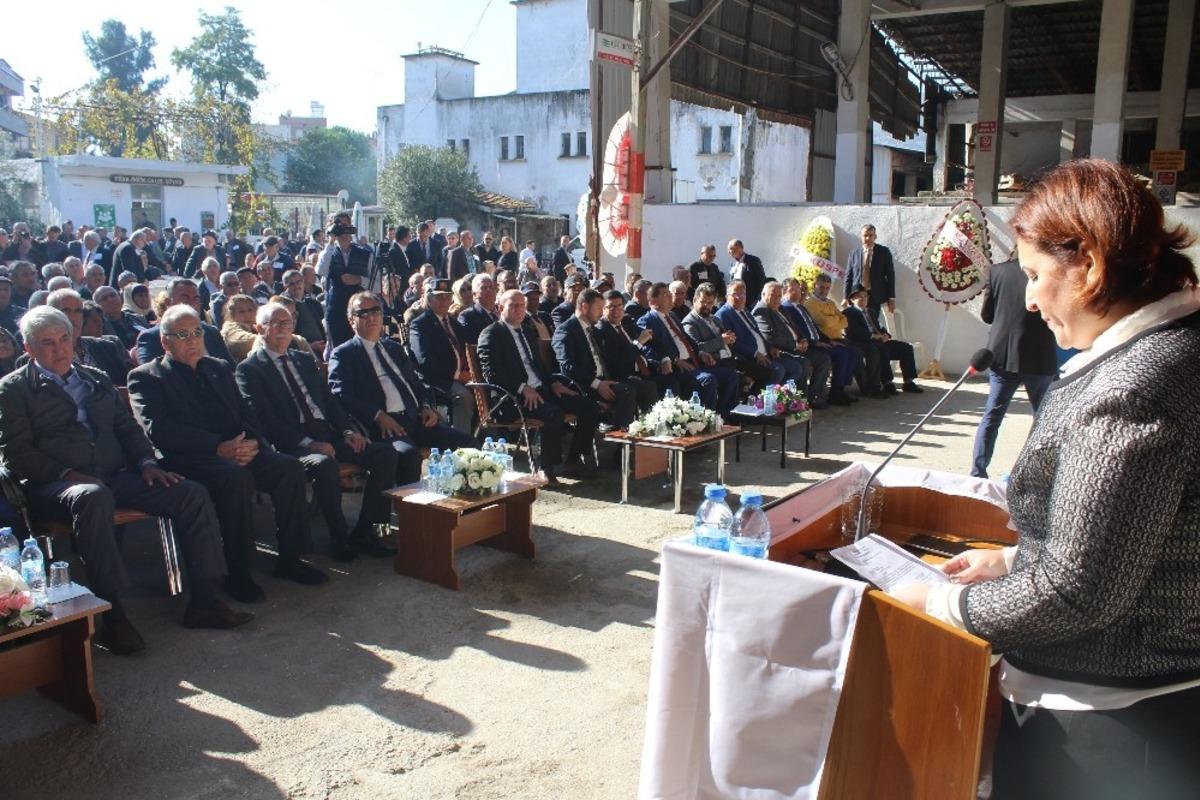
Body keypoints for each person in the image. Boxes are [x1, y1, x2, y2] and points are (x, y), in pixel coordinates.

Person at [890, 159, 1200, 800]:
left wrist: (941, 606)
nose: (1028, 300)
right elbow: (1136, 532)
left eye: (1035, 275)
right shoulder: (1174, 347)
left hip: (1108, 725)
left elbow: (1079, 593)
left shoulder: (1131, 391)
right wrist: (1013, 560)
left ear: (1089, 263)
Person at [0, 307, 251, 655]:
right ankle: (113, 615)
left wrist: (147, 462)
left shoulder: (94, 378)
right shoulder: (13, 389)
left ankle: (205, 601)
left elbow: (127, 428)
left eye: (64, 339)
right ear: (28, 348)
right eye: (47, 343)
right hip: (56, 486)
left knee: (189, 493)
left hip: (113, 475)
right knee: (93, 496)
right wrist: (67, 474)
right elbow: (17, 453)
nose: (59, 349)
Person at [128, 305, 328, 602]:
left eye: (197, 332)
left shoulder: (218, 367)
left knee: (288, 468)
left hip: (237, 448)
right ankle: (238, 572)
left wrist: (252, 443)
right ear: (164, 341)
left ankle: (291, 558)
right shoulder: (147, 377)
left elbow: (247, 413)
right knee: (235, 478)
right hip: (191, 458)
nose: (192, 340)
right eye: (183, 335)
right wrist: (217, 447)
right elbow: (160, 430)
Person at [236, 302, 398, 562]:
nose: (282, 328)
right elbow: (266, 421)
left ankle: (368, 531)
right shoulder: (250, 369)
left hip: (327, 434)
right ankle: (339, 538)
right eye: (274, 323)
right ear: (259, 328)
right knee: (323, 465)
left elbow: (330, 402)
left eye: (287, 322)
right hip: (292, 444)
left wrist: (347, 430)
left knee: (385, 454)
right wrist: (310, 443)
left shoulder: (303, 359)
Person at [329, 292, 475, 485]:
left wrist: (426, 406)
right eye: (363, 313)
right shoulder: (344, 354)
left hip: (416, 419)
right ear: (351, 321)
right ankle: (407, 504)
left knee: (469, 443)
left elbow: (417, 382)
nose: (371, 317)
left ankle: (466, 493)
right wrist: (378, 415)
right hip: (386, 427)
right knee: (409, 454)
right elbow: (341, 396)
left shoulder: (394, 348)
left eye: (375, 311)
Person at [477, 289, 599, 483]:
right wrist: (522, 388)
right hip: (513, 397)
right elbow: (492, 374)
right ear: (500, 308)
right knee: (553, 414)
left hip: (542, 390)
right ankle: (546, 468)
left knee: (589, 406)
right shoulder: (491, 334)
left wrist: (554, 383)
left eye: (522, 305)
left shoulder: (526, 330)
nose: (519, 310)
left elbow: (540, 366)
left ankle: (573, 460)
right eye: (513, 305)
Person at [970, 259, 1058, 478]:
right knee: (1044, 417)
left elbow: (987, 315)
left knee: (992, 415)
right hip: (1038, 354)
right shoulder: (1050, 269)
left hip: (1003, 353)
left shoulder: (997, 271)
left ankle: (977, 472)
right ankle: (1036, 474)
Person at [639, 282, 739, 414]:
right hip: (677, 367)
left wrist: (701, 353)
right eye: (665, 294)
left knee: (731, 375)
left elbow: (688, 340)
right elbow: (648, 348)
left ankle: (724, 416)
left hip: (695, 361)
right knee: (708, 379)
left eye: (669, 293)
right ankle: (706, 419)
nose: (670, 297)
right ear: (653, 301)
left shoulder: (672, 316)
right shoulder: (647, 320)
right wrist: (673, 359)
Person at [552, 288, 638, 427]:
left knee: (642, 386)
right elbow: (567, 366)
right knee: (626, 392)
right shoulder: (566, 330)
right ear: (585, 307)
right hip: (583, 385)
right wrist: (597, 384)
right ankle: (620, 437)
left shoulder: (593, 329)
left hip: (603, 380)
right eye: (599, 308)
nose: (601, 312)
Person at [408, 278, 474, 433]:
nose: (444, 301)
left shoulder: (455, 324)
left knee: (485, 390)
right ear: (429, 299)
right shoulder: (420, 324)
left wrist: (471, 373)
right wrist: (457, 375)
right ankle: (461, 441)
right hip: (437, 380)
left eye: (447, 296)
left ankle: (485, 438)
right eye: (439, 297)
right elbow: (425, 361)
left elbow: (466, 350)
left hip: (463, 375)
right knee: (464, 396)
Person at [754, 281, 833, 408]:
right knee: (802, 363)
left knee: (823, 359)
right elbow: (771, 338)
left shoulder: (781, 308)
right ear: (763, 294)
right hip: (783, 350)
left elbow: (794, 326)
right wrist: (795, 345)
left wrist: (803, 339)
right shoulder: (761, 311)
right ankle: (798, 401)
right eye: (773, 295)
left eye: (779, 296)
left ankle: (813, 397)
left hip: (797, 347)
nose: (776, 299)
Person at [781, 277, 859, 403]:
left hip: (820, 341)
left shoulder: (800, 307)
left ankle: (838, 390)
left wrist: (828, 340)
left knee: (851, 350)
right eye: (792, 290)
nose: (798, 292)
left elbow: (814, 328)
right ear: (784, 291)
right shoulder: (786, 308)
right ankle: (830, 394)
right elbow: (799, 331)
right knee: (839, 355)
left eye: (798, 289)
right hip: (808, 346)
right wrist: (816, 343)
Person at [715, 280, 801, 387]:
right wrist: (755, 354)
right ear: (727, 296)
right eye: (735, 294)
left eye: (742, 294)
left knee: (796, 368)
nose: (740, 297)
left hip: (767, 354)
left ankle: (783, 395)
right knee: (778, 370)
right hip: (749, 358)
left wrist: (770, 347)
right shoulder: (723, 315)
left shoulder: (744, 310)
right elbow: (733, 343)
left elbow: (758, 333)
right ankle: (761, 396)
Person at [845, 284, 922, 394]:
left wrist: (885, 335)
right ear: (852, 299)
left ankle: (909, 382)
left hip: (879, 340)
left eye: (865, 296)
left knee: (906, 348)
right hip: (864, 342)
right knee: (881, 349)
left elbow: (880, 327)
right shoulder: (849, 313)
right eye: (860, 296)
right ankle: (887, 382)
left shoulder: (871, 312)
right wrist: (873, 336)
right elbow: (854, 332)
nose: (864, 298)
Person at [44, 289, 132, 386]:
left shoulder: (106, 347)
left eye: (78, 311)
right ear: (52, 315)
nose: (73, 318)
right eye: (66, 311)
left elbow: (128, 384)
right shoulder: (46, 355)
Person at [136, 277, 234, 364]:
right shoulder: (151, 337)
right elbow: (149, 375)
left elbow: (230, 369)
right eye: (185, 298)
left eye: (196, 299)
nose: (192, 303)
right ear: (168, 303)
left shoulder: (211, 332)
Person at [595, 289, 661, 413]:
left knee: (669, 376)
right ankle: (652, 421)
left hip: (643, 369)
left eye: (619, 306)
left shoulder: (626, 322)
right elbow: (618, 362)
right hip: (622, 375)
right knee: (648, 387)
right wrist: (638, 342)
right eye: (611, 307)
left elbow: (651, 338)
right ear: (603, 309)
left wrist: (666, 359)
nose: (616, 311)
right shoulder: (601, 330)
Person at [324, 218, 374, 349]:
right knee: (339, 349)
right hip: (336, 310)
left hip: (360, 309)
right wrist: (331, 240)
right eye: (339, 227)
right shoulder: (329, 252)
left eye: (345, 226)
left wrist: (359, 280)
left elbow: (377, 283)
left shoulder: (365, 254)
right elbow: (320, 271)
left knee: (361, 348)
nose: (343, 231)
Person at [844, 224, 896, 322]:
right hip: (857, 296)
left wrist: (891, 298)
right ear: (861, 237)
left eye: (870, 235)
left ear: (875, 236)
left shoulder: (884, 252)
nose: (868, 238)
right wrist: (846, 296)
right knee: (857, 322)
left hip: (875, 296)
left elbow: (890, 276)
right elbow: (848, 276)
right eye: (865, 235)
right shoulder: (854, 253)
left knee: (872, 322)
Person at [456, 273, 500, 346]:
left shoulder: (503, 310)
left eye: (491, 287)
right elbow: (472, 345)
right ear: (474, 294)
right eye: (484, 288)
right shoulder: (468, 316)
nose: (489, 290)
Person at [220, 294, 261, 363]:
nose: (247, 315)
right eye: (241, 312)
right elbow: (245, 342)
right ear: (232, 315)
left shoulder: (256, 326)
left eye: (250, 310)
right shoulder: (230, 328)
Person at [727, 239, 766, 307]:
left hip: (751, 301)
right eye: (728, 250)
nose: (729, 252)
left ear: (740, 248)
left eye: (731, 248)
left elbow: (761, 279)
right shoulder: (733, 265)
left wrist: (757, 299)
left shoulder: (753, 260)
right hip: (736, 301)